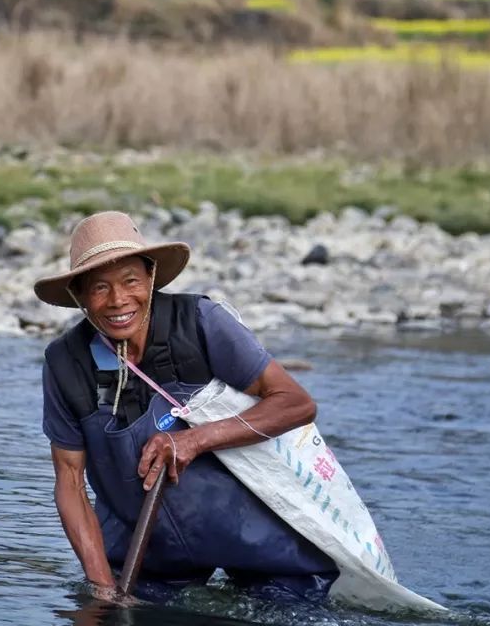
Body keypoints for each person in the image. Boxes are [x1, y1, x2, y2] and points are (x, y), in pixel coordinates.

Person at [34, 211, 339, 604]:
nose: (118, 300)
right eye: (99, 288)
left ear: (151, 277)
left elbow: (296, 403)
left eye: (131, 281)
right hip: (148, 556)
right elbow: (70, 482)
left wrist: (193, 440)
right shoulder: (65, 363)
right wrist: (102, 588)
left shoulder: (199, 322)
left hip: (254, 541)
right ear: (79, 297)